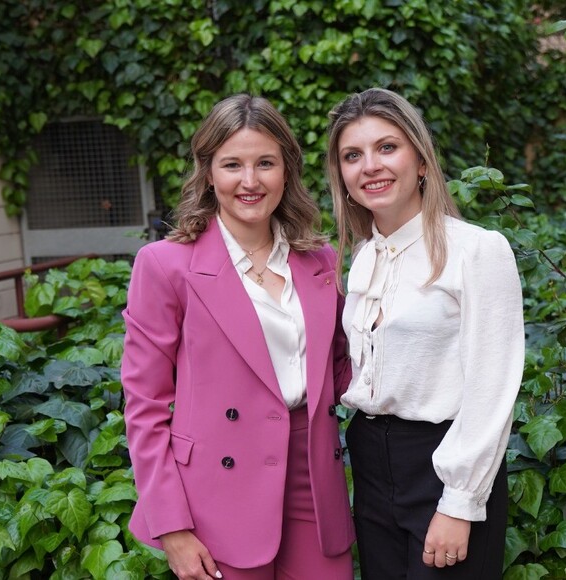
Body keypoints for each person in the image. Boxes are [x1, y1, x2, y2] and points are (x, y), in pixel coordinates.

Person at [121, 94, 355, 580]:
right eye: (232, 165)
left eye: (265, 163)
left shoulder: (321, 261)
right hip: (216, 493)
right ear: (208, 173)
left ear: (286, 170)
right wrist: (172, 527)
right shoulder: (165, 265)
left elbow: (342, 369)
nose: (250, 181)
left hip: (314, 478)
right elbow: (144, 405)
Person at [325, 88, 525, 580]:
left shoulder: (477, 250)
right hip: (371, 461)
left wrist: (460, 501)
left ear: (420, 161)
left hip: (442, 461)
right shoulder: (363, 258)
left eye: (387, 147)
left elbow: (492, 387)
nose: (370, 166)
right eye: (353, 155)